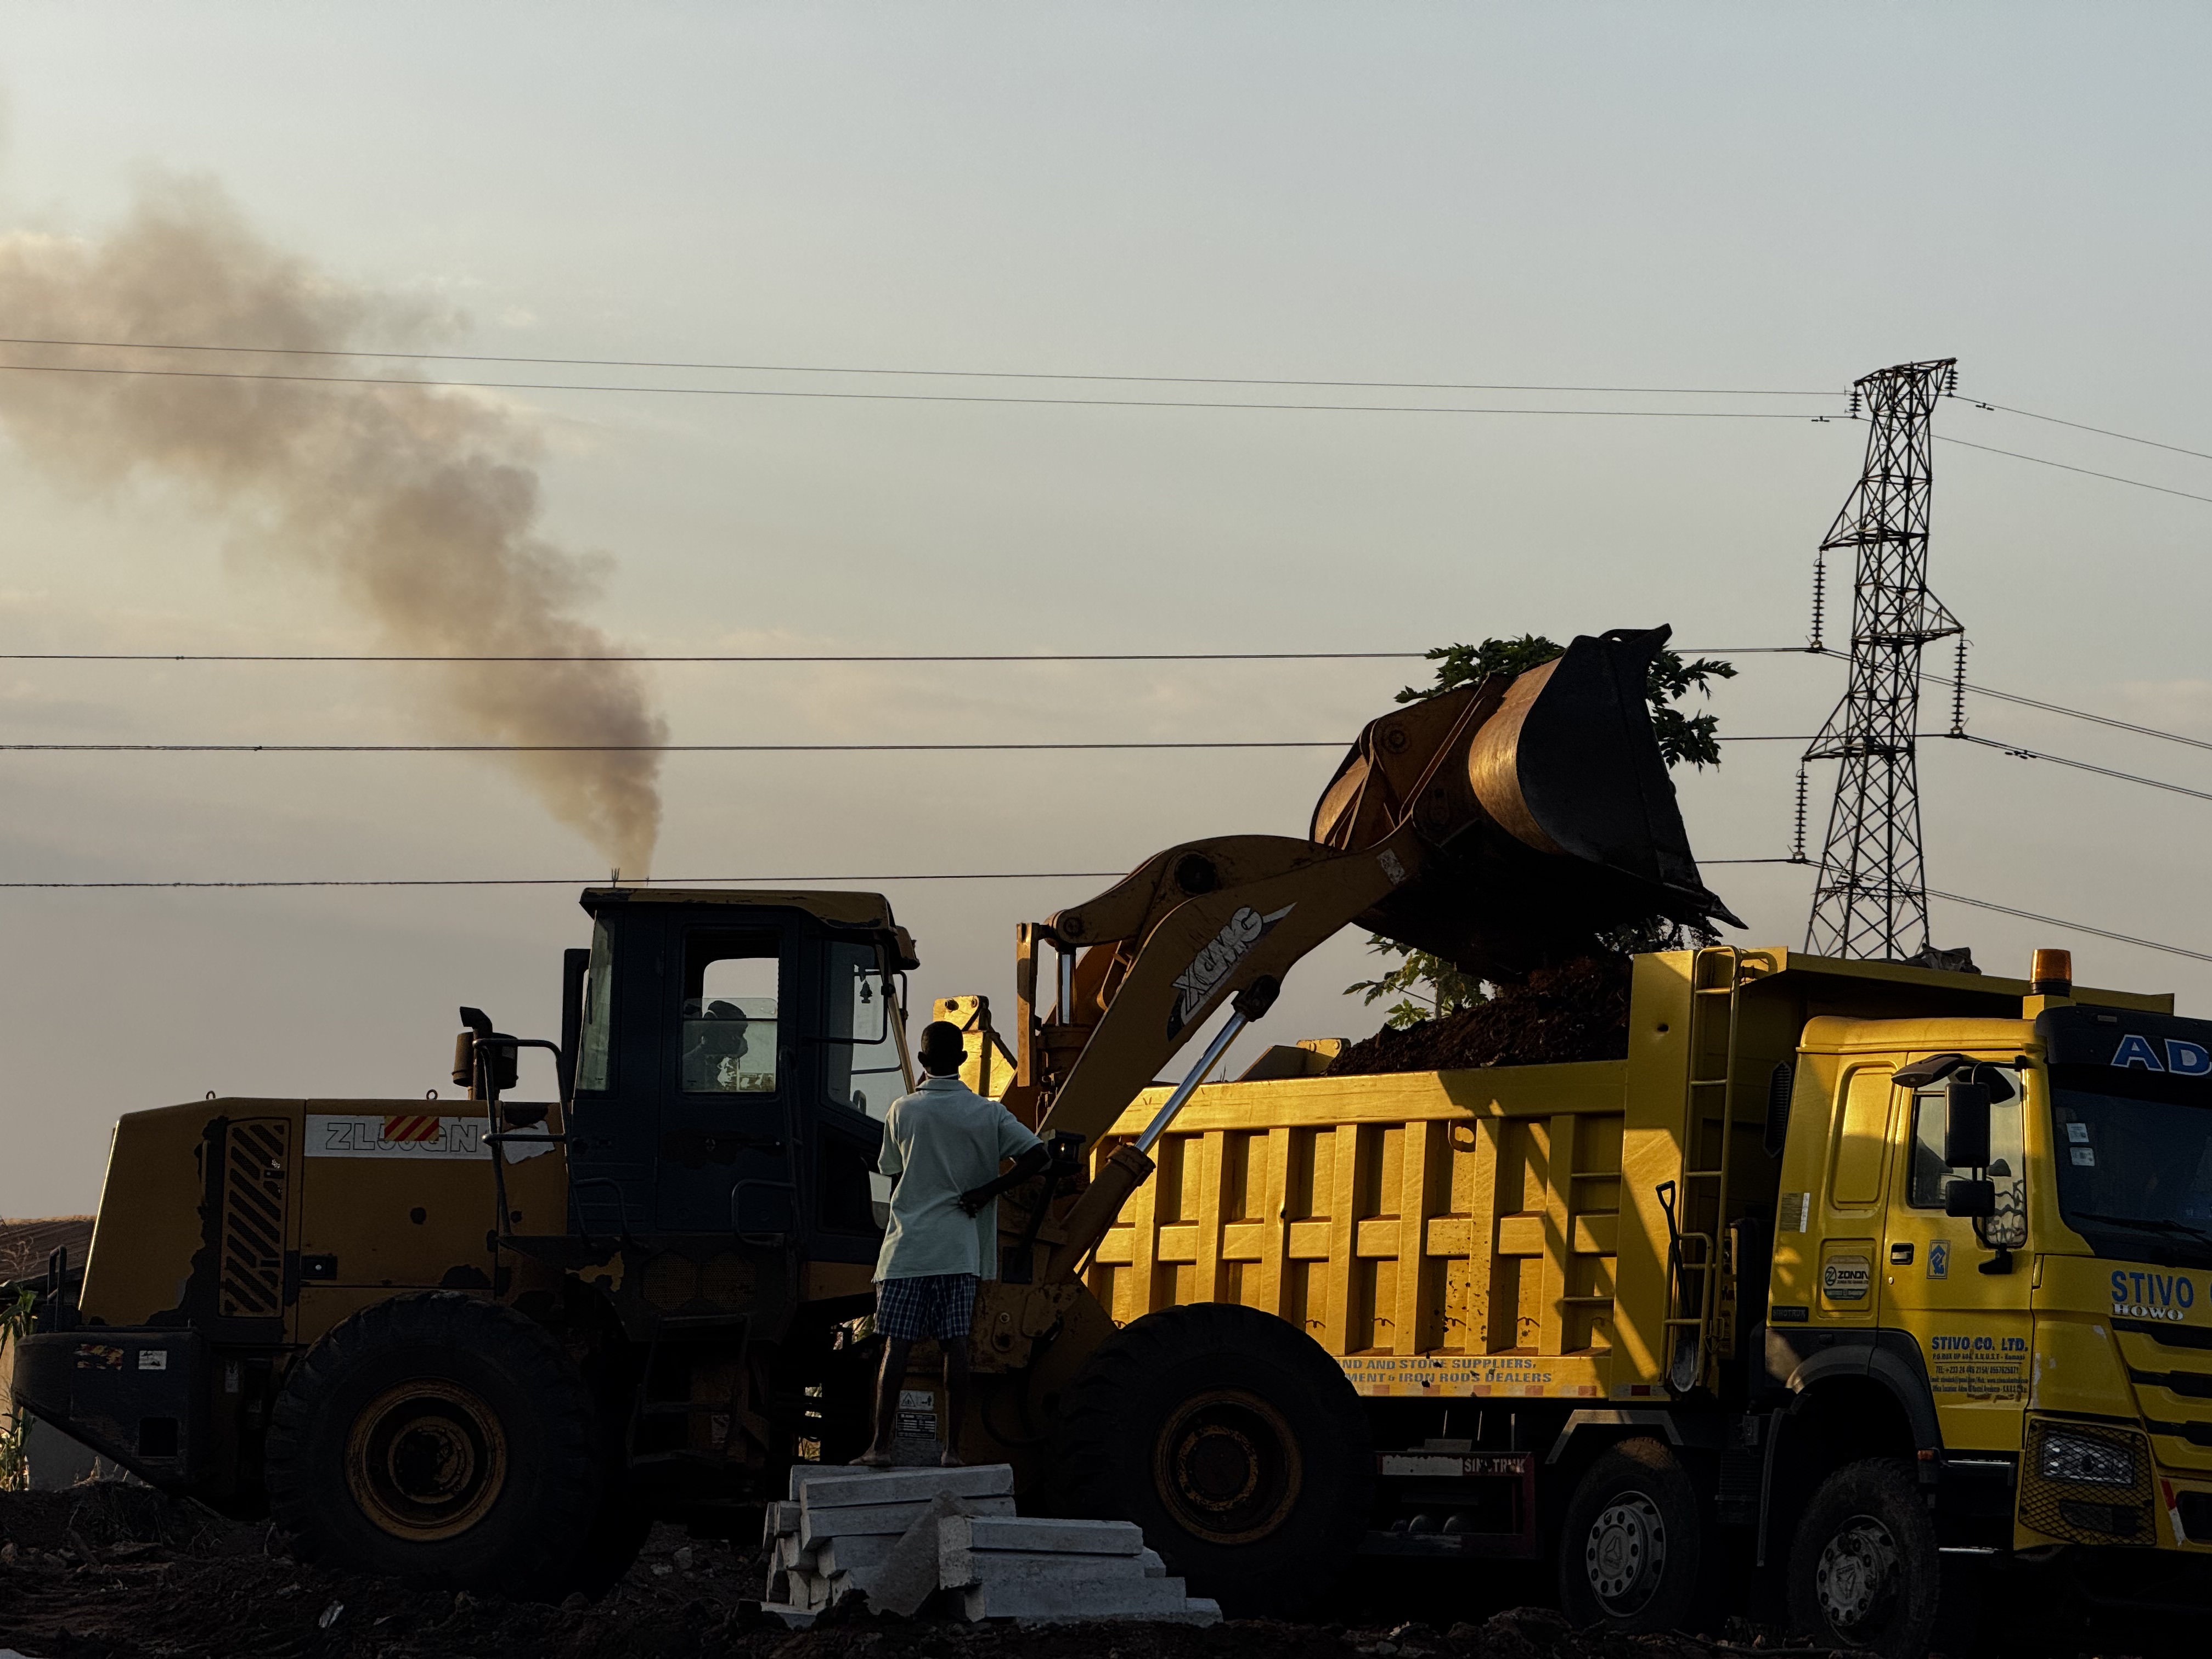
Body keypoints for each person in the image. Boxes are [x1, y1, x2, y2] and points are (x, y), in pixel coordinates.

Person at [851, 1019, 1048, 1467]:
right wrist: (987, 1191)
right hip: (960, 1251)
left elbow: (894, 1171)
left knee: (895, 1347)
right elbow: (1039, 1156)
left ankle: (880, 1448)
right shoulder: (989, 1113)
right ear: (962, 1060)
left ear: (922, 1063)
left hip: (908, 1250)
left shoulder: (903, 1110)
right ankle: (952, 1451)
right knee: (954, 1346)